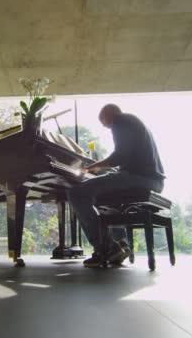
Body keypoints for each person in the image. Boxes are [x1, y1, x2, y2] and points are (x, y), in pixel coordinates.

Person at [68, 104, 165, 267]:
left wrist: (94, 166)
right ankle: (121, 245)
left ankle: (106, 248)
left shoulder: (120, 121)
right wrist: (103, 167)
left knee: (76, 193)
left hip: (139, 178)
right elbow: (126, 157)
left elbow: (120, 156)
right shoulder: (134, 122)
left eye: (103, 121)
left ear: (109, 114)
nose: (104, 126)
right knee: (107, 199)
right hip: (152, 180)